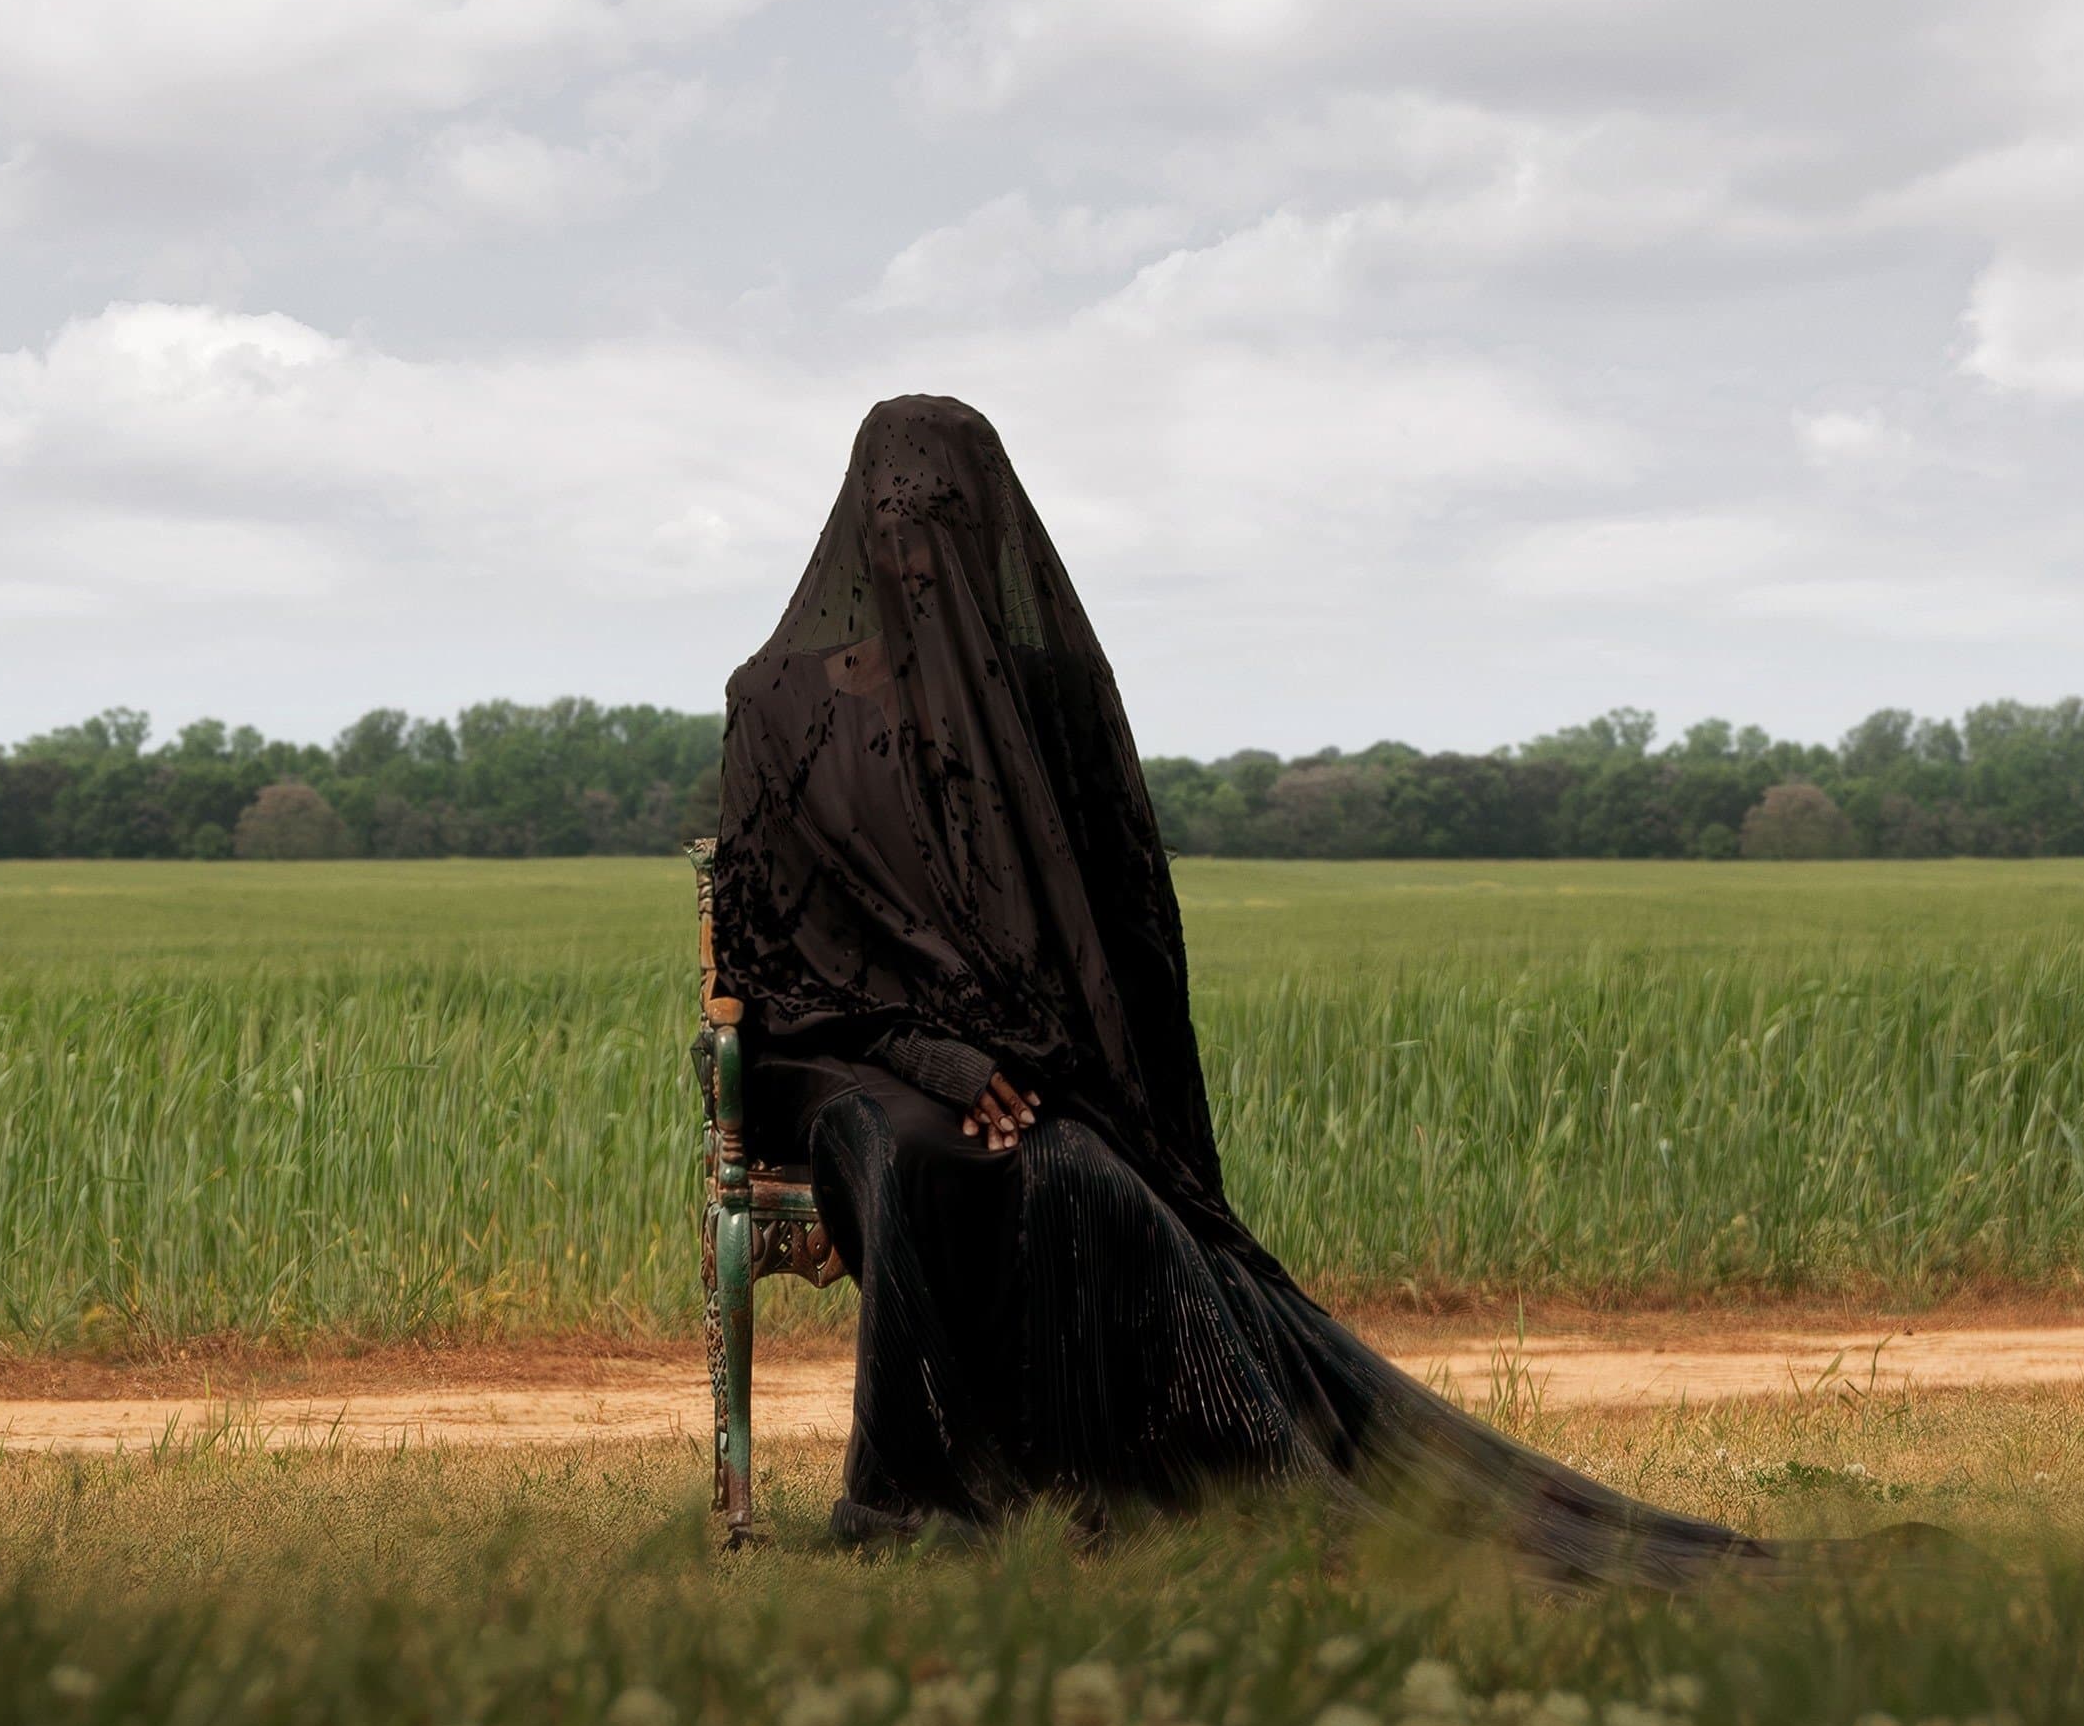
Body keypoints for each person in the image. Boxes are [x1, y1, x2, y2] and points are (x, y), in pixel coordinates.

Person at [714, 394, 1769, 1585]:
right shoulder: (779, 706)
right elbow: (773, 960)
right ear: (860, 525)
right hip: (844, 1050)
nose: (914, 555)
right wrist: (932, 1055)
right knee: (921, 1153)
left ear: (988, 531)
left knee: (1069, 1171)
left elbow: (1117, 936)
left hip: (1028, 1059)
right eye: (895, 527)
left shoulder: (1042, 700)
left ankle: (1106, 1482)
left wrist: (1023, 1064)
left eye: (942, 526)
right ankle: (911, 1500)